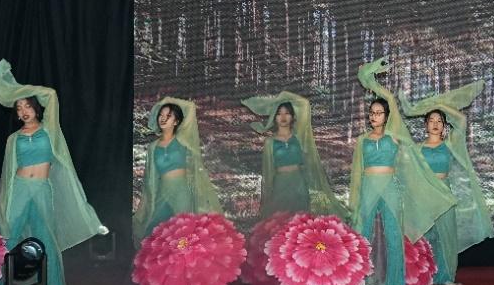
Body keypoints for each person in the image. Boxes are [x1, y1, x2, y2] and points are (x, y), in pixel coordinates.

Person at [0, 60, 107, 285]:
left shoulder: (49, 130)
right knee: (10, 236)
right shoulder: (13, 139)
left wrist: (15, 88)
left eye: (27, 105)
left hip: (42, 188)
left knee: (45, 236)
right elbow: (7, 177)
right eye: (18, 108)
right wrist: (5, 205)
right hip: (20, 188)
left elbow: (51, 94)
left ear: (36, 107)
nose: (23, 111)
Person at [350, 58, 455, 285]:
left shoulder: (394, 136)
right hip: (368, 184)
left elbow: (390, 101)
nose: (374, 116)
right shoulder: (362, 140)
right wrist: (355, 198)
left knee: (393, 233)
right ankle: (360, 281)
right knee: (363, 232)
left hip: (389, 185)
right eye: (371, 113)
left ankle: (395, 282)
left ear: (387, 117)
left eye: (379, 113)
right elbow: (357, 173)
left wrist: (373, 82)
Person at [400, 81, 493, 285]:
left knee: (447, 236)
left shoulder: (450, 144)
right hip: (424, 195)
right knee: (426, 236)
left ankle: (446, 276)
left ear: (444, 126)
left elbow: (460, 119)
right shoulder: (416, 148)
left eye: (439, 120)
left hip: (445, 192)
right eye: (431, 120)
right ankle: (425, 274)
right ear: (425, 125)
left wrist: (439, 105)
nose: (434, 123)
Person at [242, 91, 347, 220]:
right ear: (274, 117)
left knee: (299, 223)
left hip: (298, 185)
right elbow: (267, 172)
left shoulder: (299, 136)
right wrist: (266, 197)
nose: (283, 117)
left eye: (287, 113)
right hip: (280, 185)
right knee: (280, 224)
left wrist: (284, 95)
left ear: (292, 116)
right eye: (279, 114)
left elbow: (305, 103)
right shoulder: (269, 142)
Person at [132, 97, 223, 245]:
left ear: (176, 122)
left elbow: (191, 107)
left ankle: (184, 266)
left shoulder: (182, 141)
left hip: (181, 191)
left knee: (183, 231)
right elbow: (150, 178)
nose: (163, 118)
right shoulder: (153, 147)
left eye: (168, 116)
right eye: (161, 115)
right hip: (162, 192)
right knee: (157, 232)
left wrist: (167, 100)